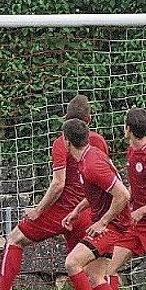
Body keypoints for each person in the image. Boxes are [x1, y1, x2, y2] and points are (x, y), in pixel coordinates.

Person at [0, 95, 110, 290]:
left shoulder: (62, 142)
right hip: (88, 212)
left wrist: (38, 211)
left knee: (15, 239)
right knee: (94, 273)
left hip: (62, 212)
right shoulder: (99, 141)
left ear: (65, 118)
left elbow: (58, 184)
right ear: (89, 120)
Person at [61, 118, 131, 290]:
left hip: (113, 226)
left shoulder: (92, 164)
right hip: (109, 223)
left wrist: (103, 222)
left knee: (72, 263)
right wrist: (77, 211)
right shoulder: (88, 157)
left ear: (66, 141)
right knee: (94, 278)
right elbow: (97, 193)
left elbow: (123, 195)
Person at [104, 107, 146, 290]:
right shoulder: (131, 152)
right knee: (108, 269)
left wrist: (141, 210)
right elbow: (136, 185)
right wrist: (127, 200)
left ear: (128, 128)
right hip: (138, 226)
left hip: (141, 217)